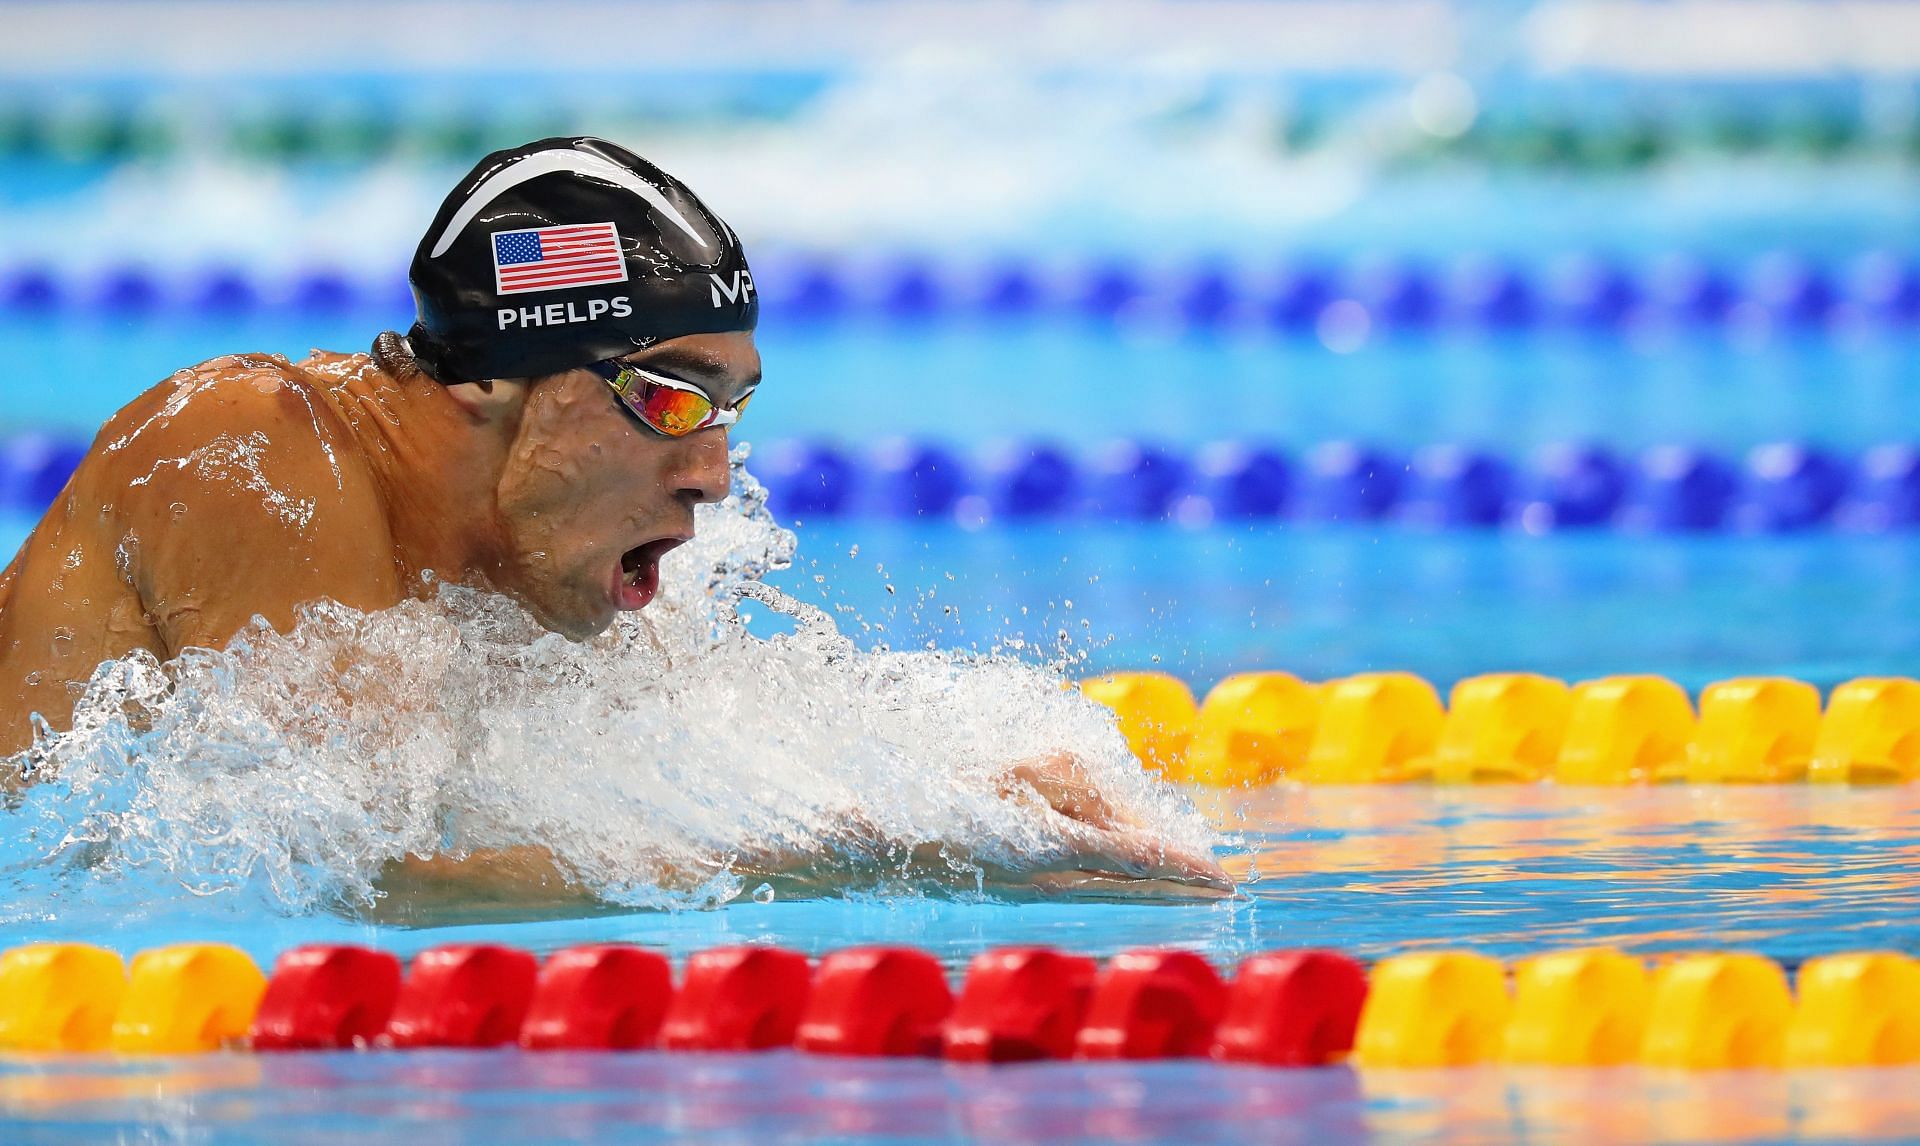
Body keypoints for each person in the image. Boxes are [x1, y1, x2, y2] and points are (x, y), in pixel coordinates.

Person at [0, 137, 1229, 901]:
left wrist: (970, 791)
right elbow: (366, 875)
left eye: (735, 406)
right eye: (670, 395)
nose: (712, 474)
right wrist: (892, 853)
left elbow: (655, 780)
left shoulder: (523, 555)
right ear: (492, 375)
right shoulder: (247, 444)